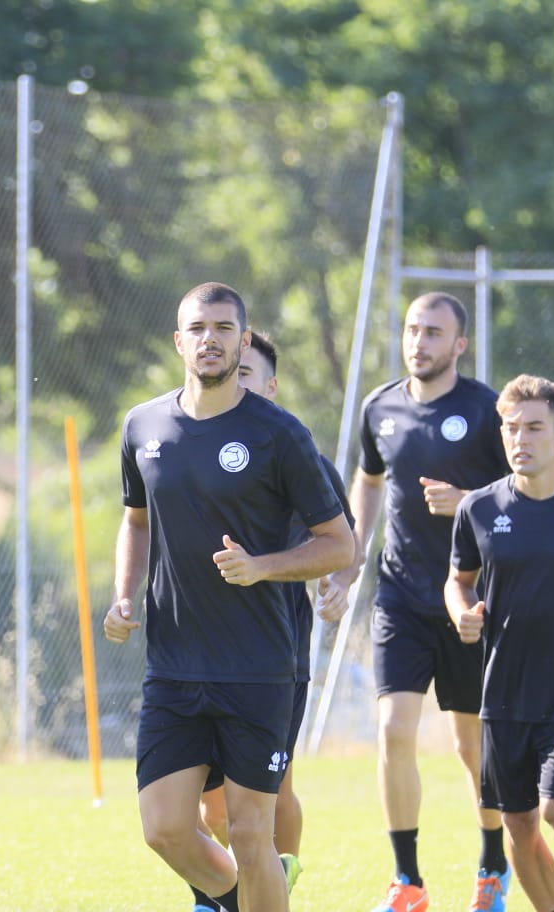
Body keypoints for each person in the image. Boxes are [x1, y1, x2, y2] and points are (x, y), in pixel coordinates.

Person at [103, 282, 355, 912]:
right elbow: (135, 520)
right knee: (163, 828)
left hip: (260, 666)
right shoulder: (143, 425)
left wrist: (261, 567)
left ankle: (250, 893)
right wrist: (123, 596)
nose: (209, 339)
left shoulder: (280, 435)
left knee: (249, 831)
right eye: (198, 327)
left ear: (243, 340)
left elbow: (339, 545)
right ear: (178, 340)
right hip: (174, 664)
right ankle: (241, 899)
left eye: (223, 328)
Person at [331, 291, 511, 912]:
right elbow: (370, 480)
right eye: (413, 330)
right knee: (392, 729)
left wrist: (469, 501)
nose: (420, 342)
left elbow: (521, 491)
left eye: (434, 333)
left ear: (459, 344)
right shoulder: (379, 407)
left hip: (469, 602)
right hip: (401, 597)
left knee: (471, 747)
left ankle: (493, 864)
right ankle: (406, 881)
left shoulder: (488, 411)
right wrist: (352, 556)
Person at [189, 330, 357, 912]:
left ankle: (271, 879)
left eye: (246, 374)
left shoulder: (294, 451)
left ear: (270, 385)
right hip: (198, 648)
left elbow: (342, 547)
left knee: (268, 789)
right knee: (206, 803)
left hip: (276, 652)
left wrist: (334, 588)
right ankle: (235, 884)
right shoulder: (188, 441)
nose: (235, 382)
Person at [444, 375, 554, 912]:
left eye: (534, 428)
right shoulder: (477, 508)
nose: (520, 439)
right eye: (511, 428)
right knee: (519, 824)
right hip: (502, 692)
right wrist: (462, 613)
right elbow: (458, 579)